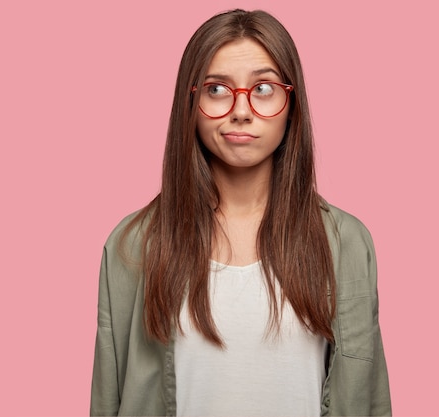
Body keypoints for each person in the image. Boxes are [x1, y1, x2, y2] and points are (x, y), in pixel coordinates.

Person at [90, 9, 391, 417]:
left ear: (292, 104)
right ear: (191, 101)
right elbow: (108, 398)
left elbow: (369, 400)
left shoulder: (347, 242)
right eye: (217, 89)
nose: (241, 109)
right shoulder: (133, 245)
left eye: (263, 87)